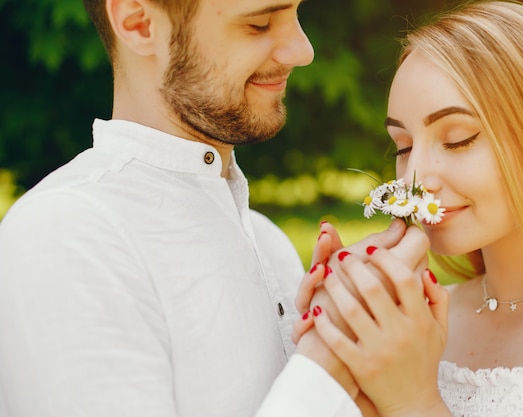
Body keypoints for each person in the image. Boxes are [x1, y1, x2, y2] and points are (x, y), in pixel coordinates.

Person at [0, 1, 422, 416]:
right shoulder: (65, 236)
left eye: (297, 14)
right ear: (139, 22)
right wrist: (326, 364)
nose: (302, 50)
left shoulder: (268, 240)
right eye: (259, 24)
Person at [295, 1, 523, 416]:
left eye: (458, 139)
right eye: (404, 146)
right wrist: (331, 354)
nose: (415, 180)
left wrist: (413, 401)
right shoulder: (405, 325)